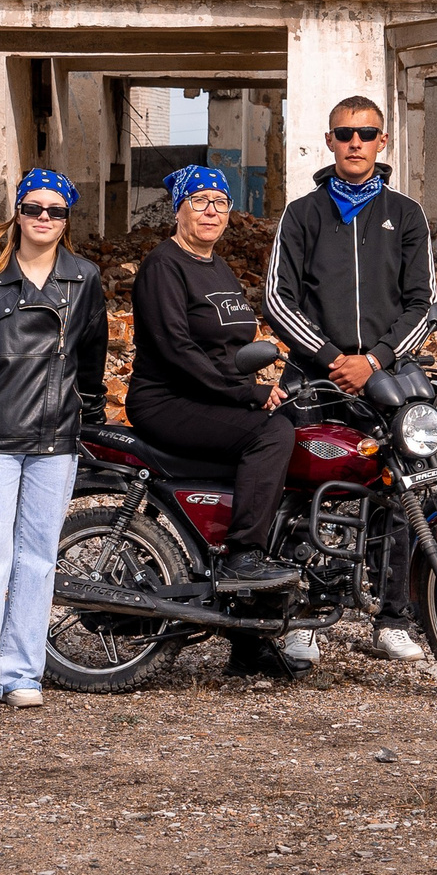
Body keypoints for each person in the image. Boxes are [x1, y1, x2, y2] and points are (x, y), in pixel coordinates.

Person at [262, 95, 437, 661]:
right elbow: (277, 298)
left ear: (382, 141)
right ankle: (306, 616)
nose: (355, 143)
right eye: (344, 133)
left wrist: (378, 360)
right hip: (317, 376)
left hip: (390, 377)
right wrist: (334, 359)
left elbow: (425, 303)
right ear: (331, 140)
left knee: (404, 489)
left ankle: (392, 620)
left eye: (366, 134)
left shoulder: (406, 214)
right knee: (309, 490)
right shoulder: (302, 213)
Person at [0, 169, 108, 722]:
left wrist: (89, 421)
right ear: (17, 213)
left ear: (67, 221)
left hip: (56, 438)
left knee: (37, 560)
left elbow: (93, 361)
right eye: (33, 209)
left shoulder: (85, 280)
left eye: (55, 212)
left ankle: (22, 673)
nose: (43, 219)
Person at [128, 164, 311, 672]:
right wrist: (247, 395)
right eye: (201, 200)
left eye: (221, 202)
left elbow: (236, 346)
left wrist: (279, 378)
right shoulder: (164, 266)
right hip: (168, 399)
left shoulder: (219, 268)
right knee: (272, 435)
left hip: (214, 395)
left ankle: (249, 639)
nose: (212, 211)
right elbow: (177, 350)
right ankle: (242, 556)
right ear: (179, 208)